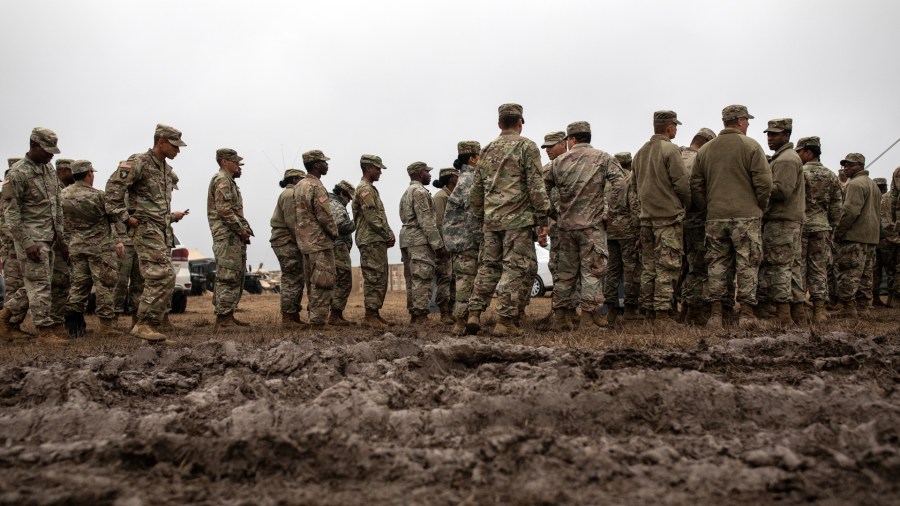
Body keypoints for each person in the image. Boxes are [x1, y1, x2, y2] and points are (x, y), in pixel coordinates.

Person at [467, 103, 550, 337]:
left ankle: (473, 313)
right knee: (514, 269)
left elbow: (476, 191)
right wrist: (542, 216)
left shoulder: (487, 150)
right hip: (517, 221)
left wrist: (480, 217)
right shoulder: (527, 147)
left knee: (488, 267)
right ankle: (504, 320)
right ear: (520, 122)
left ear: (499, 123)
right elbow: (536, 185)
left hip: (491, 221)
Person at [690, 105, 772, 329]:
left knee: (716, 264)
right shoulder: (752, 146)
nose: (748, 124)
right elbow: (764, 183)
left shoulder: (706, 150)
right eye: (747, 120)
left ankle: (716, 314)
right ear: (740, 121)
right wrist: (759, 207)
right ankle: (746, 314)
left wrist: (708, 207)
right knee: (747, 263)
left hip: (715, 217)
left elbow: (695, 184)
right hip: (746, 216)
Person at [106, 123, 187, 343]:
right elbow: (113, 189)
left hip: (160, 229)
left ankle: (149, 332)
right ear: (161, 142)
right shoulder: (138, 161)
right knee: (162, 274)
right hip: (145, 229)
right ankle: (144, 323)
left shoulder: (163, 168)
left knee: (158, 277)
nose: (178, 151)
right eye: (174, 146)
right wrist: (124, 217)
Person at [0, 128, 69, 344]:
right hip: (31, 239)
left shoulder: (48, 169)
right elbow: (11, 213)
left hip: (49, 237)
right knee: (40, 285)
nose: (51, 155)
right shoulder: (18, 173)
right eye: (47, 150)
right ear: (34, 145)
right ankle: (44, 332)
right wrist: (26, 242)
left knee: (39, 283)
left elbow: (56, 204)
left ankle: (5, 318)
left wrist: (60, 235)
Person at [544, 121, 612, 330]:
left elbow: (541, 190)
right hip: (592, 226)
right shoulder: (603, 158)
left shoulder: (558, 163)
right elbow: (619, 183)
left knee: (565, 274)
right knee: (592, 272)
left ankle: (560, 318)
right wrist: (608, 211)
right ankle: (588, 319)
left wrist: (553, 214)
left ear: (572, 139)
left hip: (566, 228)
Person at [631, 111, 691, 323]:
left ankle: (648, 310)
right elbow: (682, 184)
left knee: (648, 267)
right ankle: (663, 314)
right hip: (668, 218)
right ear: (669, 127)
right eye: (675, 125)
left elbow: (634, 187)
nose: (675, 129)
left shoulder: (640, 153)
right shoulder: (670, 150)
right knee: (667, 266)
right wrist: (687, 204)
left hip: (646, 219)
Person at [60, 160, 123, 338]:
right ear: (88, 174)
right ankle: (106, 326)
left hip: (76, 247)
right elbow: (114, 216)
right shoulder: (98, 196)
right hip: (99, 248)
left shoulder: (62, 195)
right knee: (105, 284)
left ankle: (73, 325)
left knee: (79, 285)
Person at [757, 118, 805, 326]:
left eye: (774, 134)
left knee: (779, 268)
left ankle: (784, 314)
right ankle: (798, 312)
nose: (770, 138)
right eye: (768, 134)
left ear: (786, 135)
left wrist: (759, 187)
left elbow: (782, 190)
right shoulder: (784, 157)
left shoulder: (785, 159)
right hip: (787, 220)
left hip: (781, 220)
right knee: (791, 267)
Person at [796, 136, 842, 323]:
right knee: (819, 269)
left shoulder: (800, 172)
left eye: (800, 151)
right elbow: (837, 207)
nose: (797, 154)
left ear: (809, 152)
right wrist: (831, 225)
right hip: (822, 226)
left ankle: (798, 308)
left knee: (798, 267)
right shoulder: (831, 176)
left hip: (800, 225)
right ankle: (819, 311)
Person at [207, 148, 254, 330]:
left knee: (235, 274)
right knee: (228, 275)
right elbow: (224, 211)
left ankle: (227, 315)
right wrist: (240, 230)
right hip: (227, 236)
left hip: (231, 235)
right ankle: (224, 320)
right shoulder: (222, 180)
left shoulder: (229, 181)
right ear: (224, 162)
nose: (238, 166)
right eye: (235, 162)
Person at [832, 153, 880, 318]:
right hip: (871, 238)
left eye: (850, 165)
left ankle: (848, 307)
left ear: (861, 166)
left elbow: (850, 211)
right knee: (866, 275)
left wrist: (839, 232)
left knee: (849, 273)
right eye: (845, 165)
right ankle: (864, 308)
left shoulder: (855, 184)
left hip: (854, 236)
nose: (846, 168)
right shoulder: (873, 185)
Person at [295, 150, 338, 329]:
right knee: (323, 281)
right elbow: (324, 215)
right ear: (316, 165)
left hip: (305, 242)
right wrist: (334, 232)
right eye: (324, 162)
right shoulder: (316, 186)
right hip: (319, 241)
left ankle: (314, 317)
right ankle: (318, 321)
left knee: (312, 281)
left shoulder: (299, 185)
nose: (327, 165)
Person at [442, 141, 482, 335]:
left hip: (462, 240)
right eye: (480, 155)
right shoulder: (470, 180)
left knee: (466, 282)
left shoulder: (465, 179)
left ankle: (466, 319)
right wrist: (482, 239)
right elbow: (473, 214)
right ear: (473, 158)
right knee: (466, 283)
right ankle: (460, 323)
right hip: (467, 241)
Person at [399, 162, 448, 323]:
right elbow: (426, 221)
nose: (429, 175)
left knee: (412, 278)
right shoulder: (420, 192)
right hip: (419, 240)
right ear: (420, 173)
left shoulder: (407, 192)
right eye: (427, 172)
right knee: (422, 276)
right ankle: (420, 315)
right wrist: (438, 245)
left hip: (407, 239)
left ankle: (415, 313)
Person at [353, 154, 395, 328]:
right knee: (374, 277)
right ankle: (370, 315)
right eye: (378, 168)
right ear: (368, 168)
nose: (380, 172)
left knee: (379, 277)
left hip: (375, 239)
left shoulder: (369, 188)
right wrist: (387, 234)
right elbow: (372, 217)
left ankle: (374, 313)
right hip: (371, 240)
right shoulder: (365, 189)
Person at [679, 128, 716, 323]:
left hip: (674, 222)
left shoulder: (677, 156)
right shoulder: (701, 160)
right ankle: (693, 310)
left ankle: (680, 309)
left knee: (678, 268)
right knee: (697, 266)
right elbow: (699, 190)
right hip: (696, 221)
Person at [603, 152, 641, 324]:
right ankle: (630, 308)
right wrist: (638, 231)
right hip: (626, 231)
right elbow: (634, 205)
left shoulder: (607, 183)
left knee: (611, 271)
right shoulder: (629, 179)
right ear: (630, 163)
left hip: (609, 230)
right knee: (630, 270)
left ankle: (610, 309)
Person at [539, 131, 571, 326]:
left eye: (552, 146)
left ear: (564, 143)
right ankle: (560, 311)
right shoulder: (548, 169)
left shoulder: (577, 164)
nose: (548, 150)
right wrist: (548, 221)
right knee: (558, 268)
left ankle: (577, 311)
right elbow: (541, 199)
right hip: (559, 227)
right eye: (545, 147)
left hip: (578, 225)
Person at [270, 168, 307, 328]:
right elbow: (293, 224)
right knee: (292, 278)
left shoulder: (290, 194)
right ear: (294, 180)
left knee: (297, 277)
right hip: (286, 241)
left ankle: (293, 315)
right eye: (301, 180)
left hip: (287, 241)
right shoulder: (290, 195)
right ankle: (288, 317)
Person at [109, 155, 144, 324]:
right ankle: (113, 318)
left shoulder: (138, 197)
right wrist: (117, 241)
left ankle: (136, 319)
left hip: (138, 242)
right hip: (123, 243)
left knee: (139, 282)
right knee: (120, 283)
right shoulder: (116, 197)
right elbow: (111, 221)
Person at [0, 158, 31, 340]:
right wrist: (21, 239)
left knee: (20, 285)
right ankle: (8, 325)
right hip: (11, 250)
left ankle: (13, 325)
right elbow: (6, 225)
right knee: (14, 287)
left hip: (19, 247)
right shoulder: (5, 199)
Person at [431, 167, 459, 324]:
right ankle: (444, 312)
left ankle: (451, 310)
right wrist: (443, 246)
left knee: (453, 278)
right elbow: (439, 223)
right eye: (457, 175)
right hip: (445, 246)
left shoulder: (452, 195)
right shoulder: (441, 197)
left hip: (454, 245)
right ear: (451, 179)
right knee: (445, 278)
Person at [328, 180, 356, 326]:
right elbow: (341, 226)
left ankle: (335, 314)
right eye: (348, 197)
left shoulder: (332, 203)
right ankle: (335, 315)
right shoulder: (336, 205)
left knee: (338, 281)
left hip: (337, 247)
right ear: (341, 193)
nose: (349, 200)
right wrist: (357, 221)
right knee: (344, 280)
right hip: (338, 247)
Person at [51, 159, 75, 329]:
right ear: (64, 171)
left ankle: (59, 320)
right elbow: (56, 221)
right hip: (57, 245)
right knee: (58, 283)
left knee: (65, 283)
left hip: (67, 243)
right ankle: (55, 322)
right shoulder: (55, 191)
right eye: (72, 171)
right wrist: (64, 244)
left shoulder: (67, 191)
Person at [874, 177, 898, 307]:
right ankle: (891, 298)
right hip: (888, 240)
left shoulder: (872, 199)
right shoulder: (891, 199)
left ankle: (875, 297)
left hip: (873, 239)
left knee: (875, 270)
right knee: (890, 270)